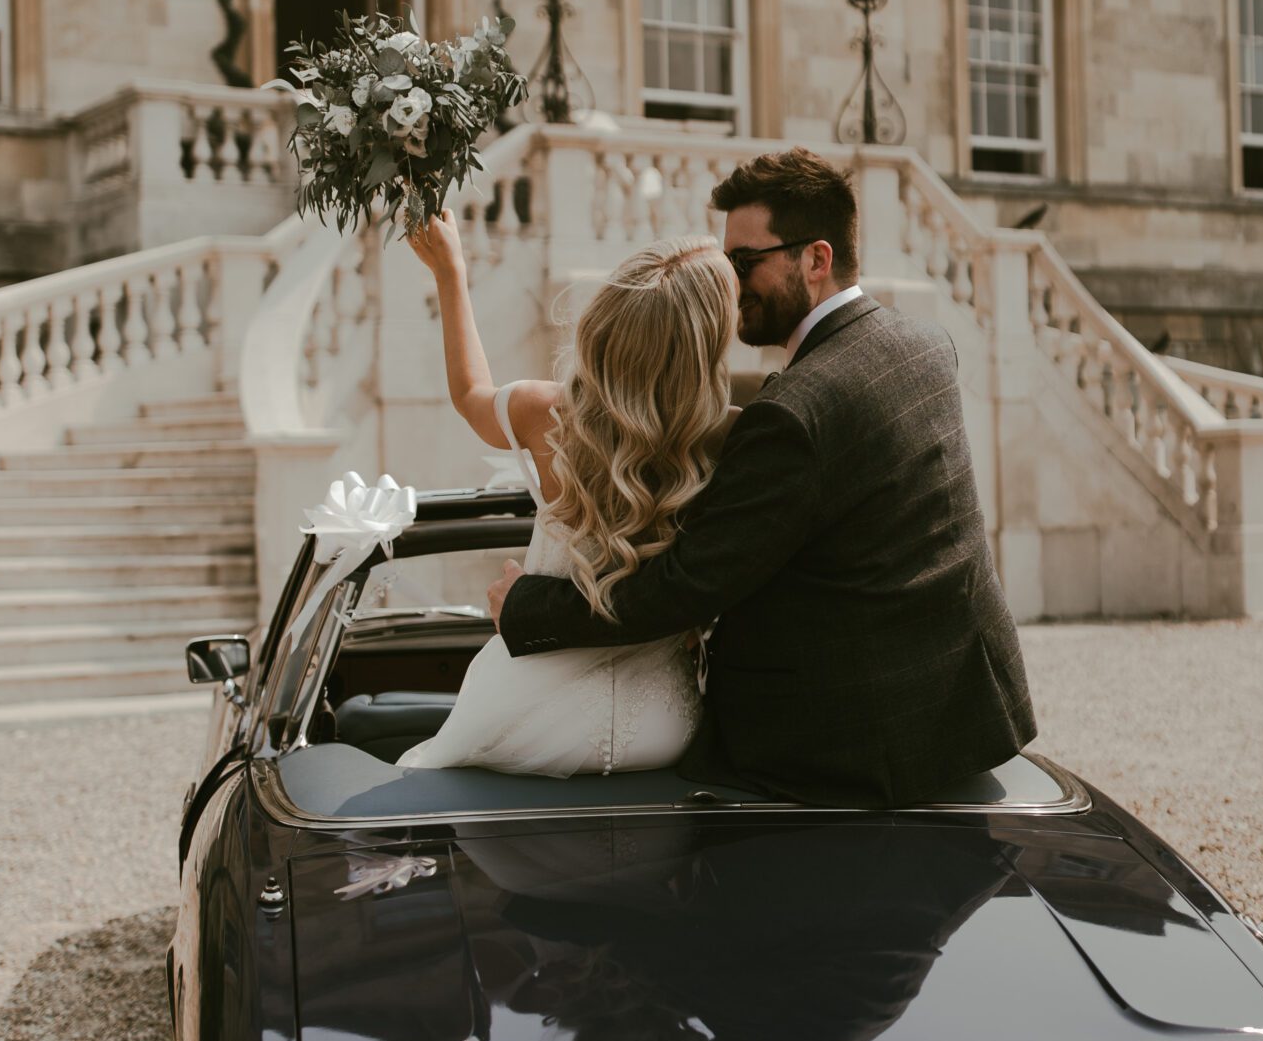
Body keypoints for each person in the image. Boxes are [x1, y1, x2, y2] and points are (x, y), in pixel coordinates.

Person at [491, 146, 1035, 808]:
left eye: (744, 263)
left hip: (843, 746)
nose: (729, 282)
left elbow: (683, 588)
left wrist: (523, 607)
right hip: (964, 710)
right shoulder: (923, 346)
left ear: (815, 259)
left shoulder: (790, 414)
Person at [396, 208, 736, 776]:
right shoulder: (727, 437)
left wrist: (450, 271)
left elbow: (470, 392)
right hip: (662, 725)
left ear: (608, 327)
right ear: (704, 349)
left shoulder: (545, 413)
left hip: (529, 717)